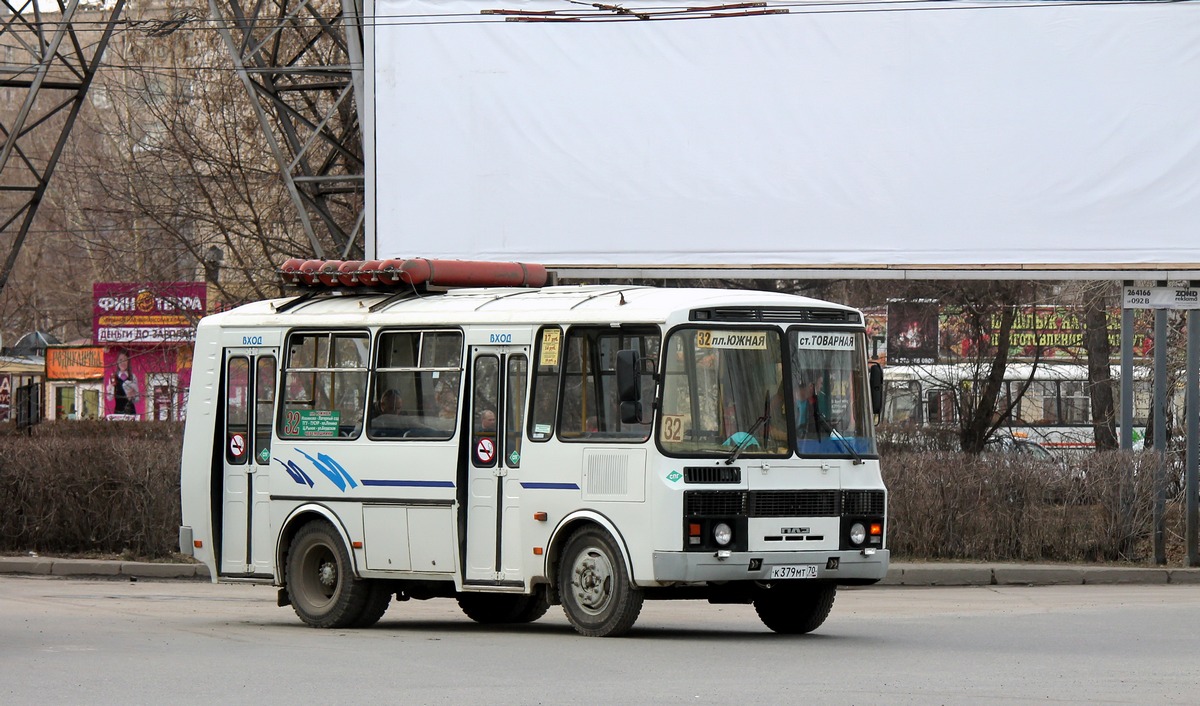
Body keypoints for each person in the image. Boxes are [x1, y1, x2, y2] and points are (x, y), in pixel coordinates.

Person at [110, 351, 138, 416]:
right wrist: (110, 388)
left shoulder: (132, 377)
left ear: (128, 362)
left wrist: (133, 394)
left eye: (125, 360)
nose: (123, 362)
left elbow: (137, 398)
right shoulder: (113, 377)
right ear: (117, 362)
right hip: (118, 412)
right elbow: (110, 397)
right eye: (120, 360)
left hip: (130, 412)